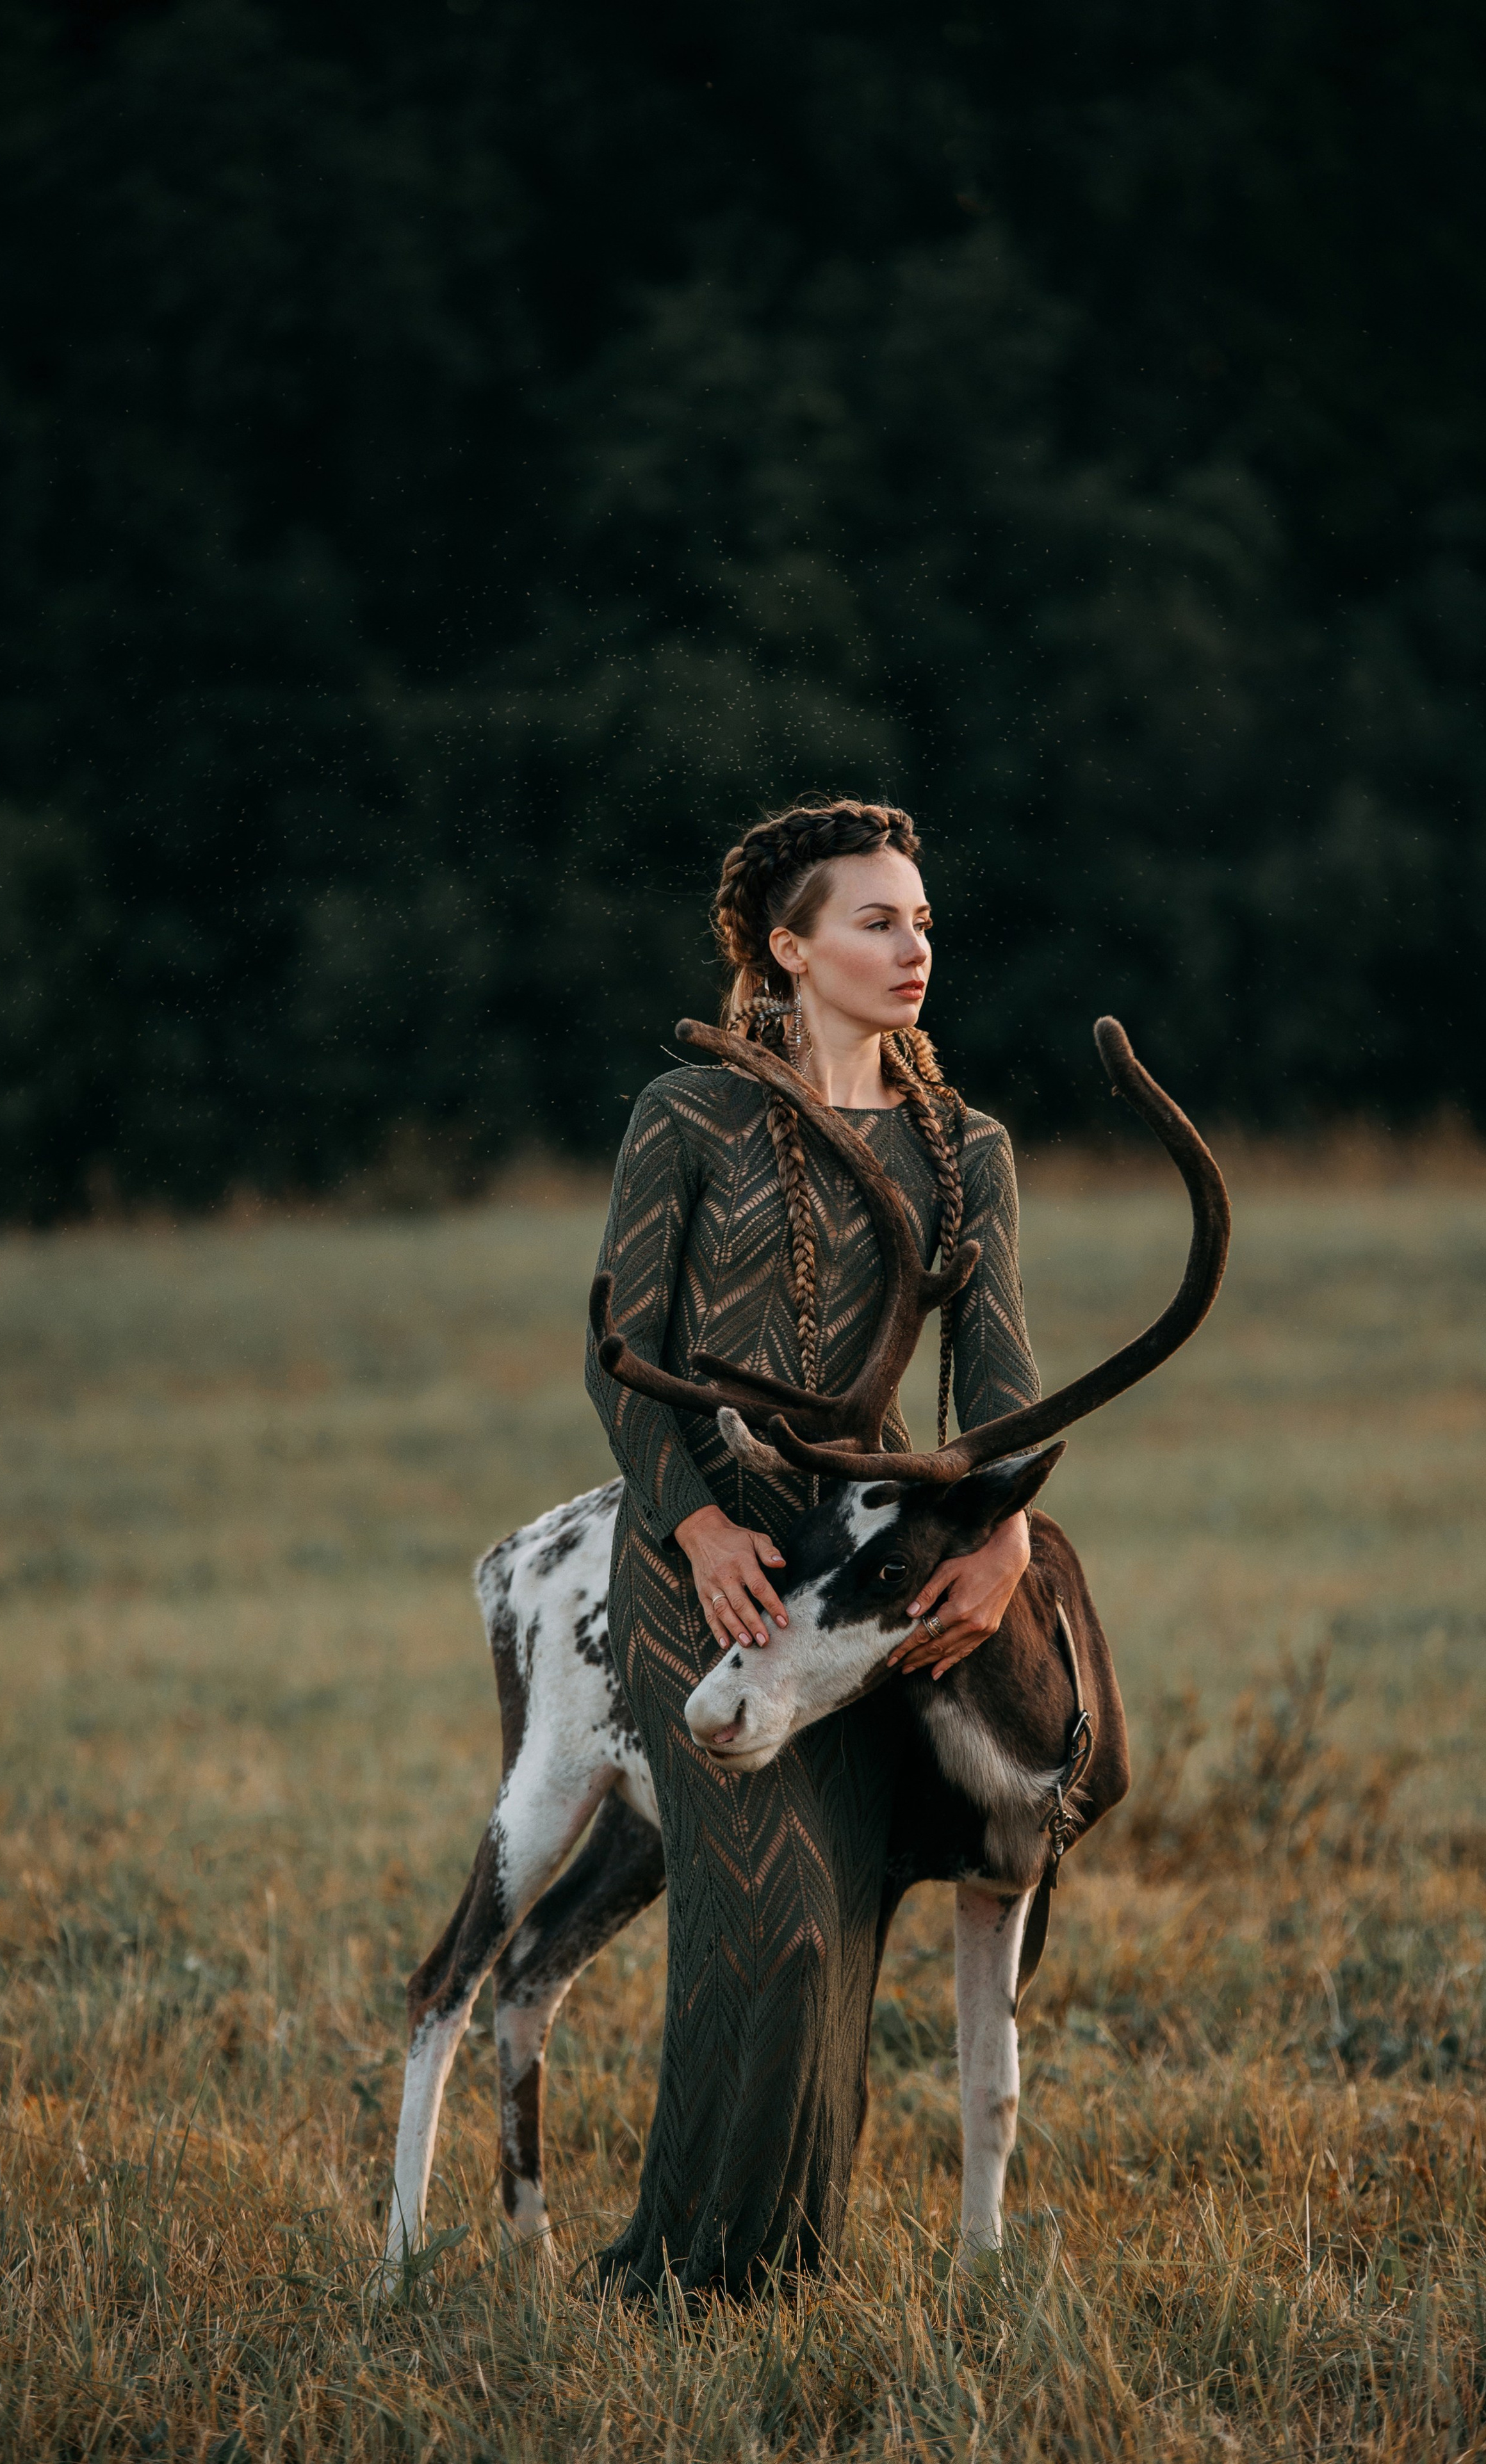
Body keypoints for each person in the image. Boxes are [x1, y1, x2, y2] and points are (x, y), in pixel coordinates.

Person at [584, 798, 1041, 2298]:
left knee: (836, 1935)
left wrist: (1002, 1544)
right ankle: (684, 2275)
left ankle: (778, 2277)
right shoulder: (687, 1115)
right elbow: (615, 1353)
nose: (913, 945)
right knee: (766, 1922)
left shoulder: (963, 1149)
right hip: (695, 1565)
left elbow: (1001, 1390)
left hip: (855, 1581)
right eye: (873, 919)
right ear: (787, 949)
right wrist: (698, 1518)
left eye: (919, 919)